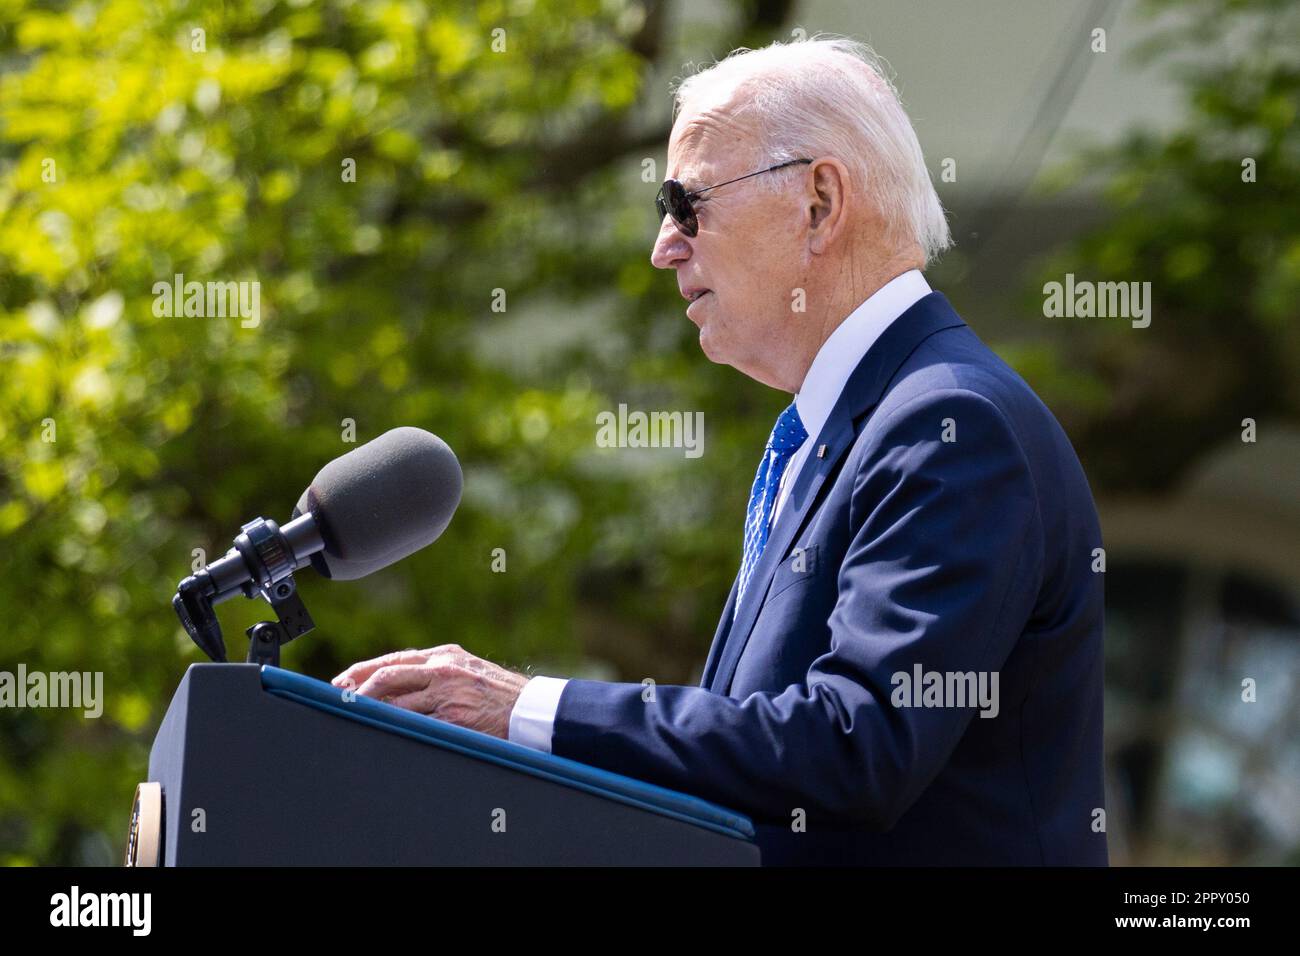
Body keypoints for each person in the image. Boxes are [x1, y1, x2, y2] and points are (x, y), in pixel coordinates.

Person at [333, 37, 1108, 866]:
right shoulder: (840, 433)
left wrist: (529, 708)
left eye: (686, 202)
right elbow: (745, 784)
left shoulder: (950, 424)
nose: (664, 246)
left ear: (819, 202)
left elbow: (858, 743)